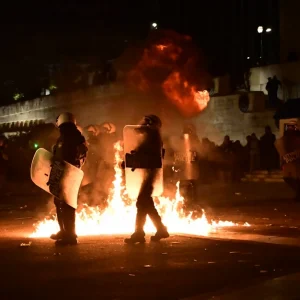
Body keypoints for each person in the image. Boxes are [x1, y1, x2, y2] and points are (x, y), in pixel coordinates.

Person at [124, 115, 169, 244]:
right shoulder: (153, 136)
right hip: (149, 174)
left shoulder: (152, 136)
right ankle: (158, 230)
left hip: (150, 174)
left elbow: (144, 154)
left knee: (142, 203)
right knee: (145, 204)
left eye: (145, 122)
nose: (141, 124)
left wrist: (132, 159)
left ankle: (141, 233)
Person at [49, 112, 88, 245]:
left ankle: (70, 236)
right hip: (66, 173)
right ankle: (64, 231)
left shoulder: (72, 137)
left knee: (67, 205)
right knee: (60, 203)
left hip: (68, 174)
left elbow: (73, 156)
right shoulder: (70, 136)